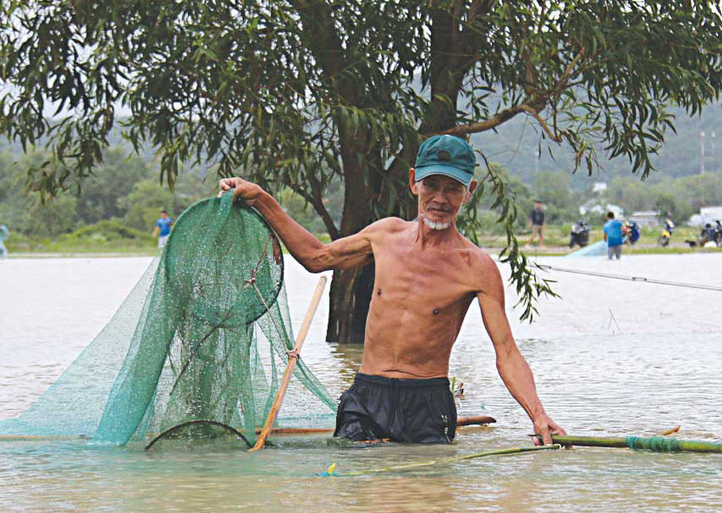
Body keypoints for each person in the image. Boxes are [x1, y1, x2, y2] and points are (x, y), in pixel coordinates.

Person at [219, 134, 566, 446]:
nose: (441, 199)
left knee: (423, 503)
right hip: (367, 395)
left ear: (468, 192)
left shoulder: (477, 266)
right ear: (414, 182)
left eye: (453, 189)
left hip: (427, 401)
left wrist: (538, 414)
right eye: (432, 185)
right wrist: (262, 199)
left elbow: (506, 351)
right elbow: (316, 256)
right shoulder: (385, 235)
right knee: (357, 494)